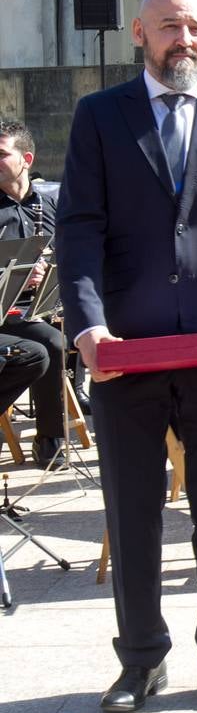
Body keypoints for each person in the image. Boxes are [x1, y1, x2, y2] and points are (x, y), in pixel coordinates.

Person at [55, 0, 197, 713]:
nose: (182, 39)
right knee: (133, 512)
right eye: (167, 27)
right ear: (138, 33)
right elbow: (79, 229)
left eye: (195, 27)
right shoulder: (99, 117)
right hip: (125, 352)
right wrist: (86, 327)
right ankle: (142, 660)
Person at [0, 119, 73, 466]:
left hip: (39, 309)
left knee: (62, 339)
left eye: (1, 154)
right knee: (47, 346)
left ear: (26, 159)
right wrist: (18, 277)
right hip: (5, 313)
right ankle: (48, 437)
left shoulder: (49, 203)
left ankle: (54, 438)